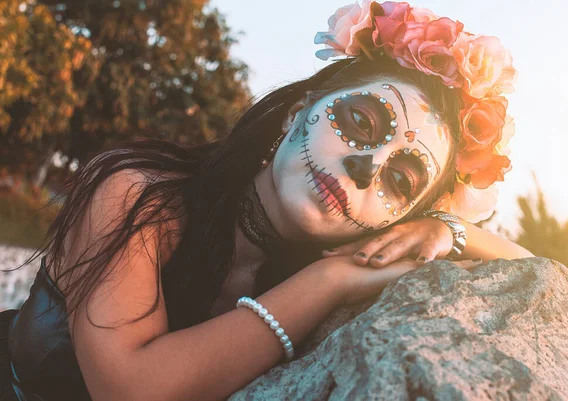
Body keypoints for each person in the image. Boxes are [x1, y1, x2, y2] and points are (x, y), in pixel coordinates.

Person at [0, 1, 533, 400]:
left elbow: (539, 272)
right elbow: (131, 389)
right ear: (295, 111)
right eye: (360, 122)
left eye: (400, 181)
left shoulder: (347, 254)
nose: (364, 168)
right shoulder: (137, 193)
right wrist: (327, 282)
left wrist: (448, 228)